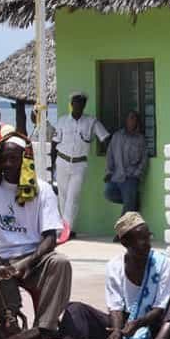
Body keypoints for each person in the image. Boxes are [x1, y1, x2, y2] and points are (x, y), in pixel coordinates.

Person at [48, 212, 170, 339]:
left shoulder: (163, 263)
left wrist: (139, 323)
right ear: (125, 243)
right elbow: (115, 306)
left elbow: (160, 306)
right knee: (75, 309)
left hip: (157, 325)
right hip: (127, 327)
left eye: (148, 237)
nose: (147, 243)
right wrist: (116, 331)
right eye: (141, 239)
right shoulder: (114, 266)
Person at [0, 133, 71, 339]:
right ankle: (9, 321)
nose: (8, 165)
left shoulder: (43, 189)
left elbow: (50, 239)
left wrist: (28, 262)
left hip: (33, 259)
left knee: (61, 263)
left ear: (24, 160)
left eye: (13, 159)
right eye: (4, 159)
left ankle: (41, 332)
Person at [52, 91, 110, 238]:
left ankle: (65, 230)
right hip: (62, 161)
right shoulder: (62, 121)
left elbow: (105, 138)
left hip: (79, 164)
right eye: (76, 103)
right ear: (71, 105)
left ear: (84, 106)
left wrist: (110, 156)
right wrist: (52, 164)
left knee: (73, 197)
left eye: (82, 104)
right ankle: (67, 228)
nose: (79, 106)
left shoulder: (91, 122)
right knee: (63, 197)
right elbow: (54, 143)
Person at [104, 110, 148, 221]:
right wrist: (108, 172)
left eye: (134, 119)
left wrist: (137, 174)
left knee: (128, 205)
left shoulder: (140, 139)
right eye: (130, 118)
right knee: (108, 193)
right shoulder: (117, 136)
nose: (132, 121)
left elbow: (144, 159)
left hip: (131, 177)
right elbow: (110, 155)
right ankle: (133, 200)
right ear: (126, 120)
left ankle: (121, 232)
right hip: (117, 175)